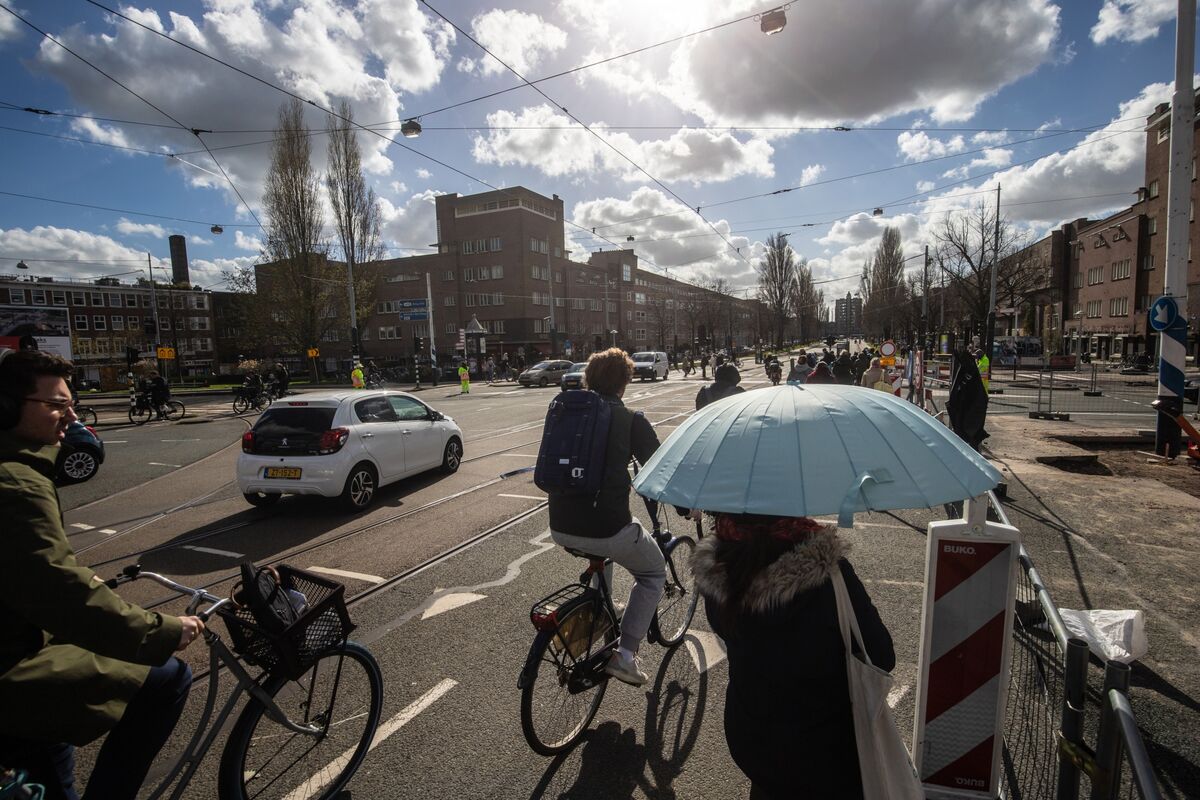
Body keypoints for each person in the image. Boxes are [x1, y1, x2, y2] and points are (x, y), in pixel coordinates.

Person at [0, 350, 203, 800]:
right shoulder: (16, 483)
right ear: (7, 408)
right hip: (10, 665)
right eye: (56, 405)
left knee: (50, 758)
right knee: (168, 677)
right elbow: (58, 590)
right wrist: (161, 630)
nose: (71, 416)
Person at [693, 512, 894, 800]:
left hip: (751, 737)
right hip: (825, 748)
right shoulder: (830, 575)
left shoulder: (719, 565)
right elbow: (881, 656)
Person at [548, 348, 665, 686]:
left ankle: (596, 619)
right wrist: (688, 506)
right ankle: (625, 656)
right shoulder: (631, 419)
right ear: (625, 382)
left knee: (605, 558)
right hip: (607, 528)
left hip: (560, 526)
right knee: (653, 573)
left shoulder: (568, 414)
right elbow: (659, 470)